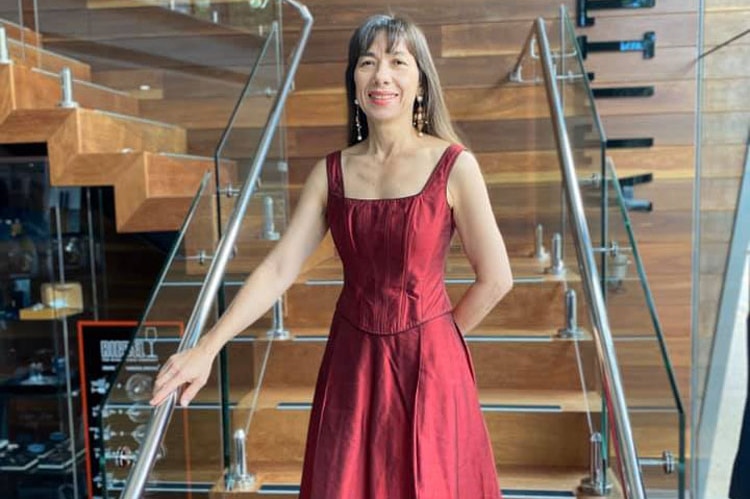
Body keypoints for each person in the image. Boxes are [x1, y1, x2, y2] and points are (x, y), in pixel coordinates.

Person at [151, 13, 513, 499]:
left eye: (397, 62)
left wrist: (436, 340)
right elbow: (279, 268)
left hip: (431, 368)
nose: (381, 75)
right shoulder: (331, 173)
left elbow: (496, 278)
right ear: (355, 83)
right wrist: (207, 347)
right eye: (368, 63)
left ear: (421, 82)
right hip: (352, 363)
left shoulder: (455, 165)